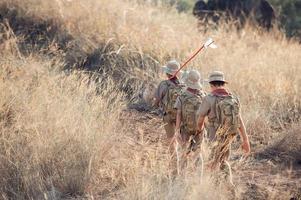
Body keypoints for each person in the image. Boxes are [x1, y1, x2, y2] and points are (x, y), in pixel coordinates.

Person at [197, 71, 250, 172]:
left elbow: (200, 120)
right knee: (223, 161)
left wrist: (198, 131)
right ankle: (227, 184)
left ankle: (212, 185)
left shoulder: (208, 99)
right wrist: (245, 140)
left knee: (212, 162)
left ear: (211, 84)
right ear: (223, 83)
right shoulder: (233, 98)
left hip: (213, 135)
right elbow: (239, 120)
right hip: (228, 135)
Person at [174, 70, 206, 170]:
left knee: (184, 152)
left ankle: (182, 176)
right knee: (197, 153)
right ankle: (198, 178)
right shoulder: (203, 96)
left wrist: (177, 130)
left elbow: (178, 114)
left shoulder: (182, 96)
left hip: (185, 129)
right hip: (199, 129)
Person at [154, 60, 183, 141]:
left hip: (168, 116)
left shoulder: (163, 84)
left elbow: (157, 100)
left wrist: (156, 107)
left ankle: (173, 153)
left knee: (171, 140)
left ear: (167, 73)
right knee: (181, 140)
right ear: (178, 73)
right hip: (180, 116)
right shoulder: (183, 85)